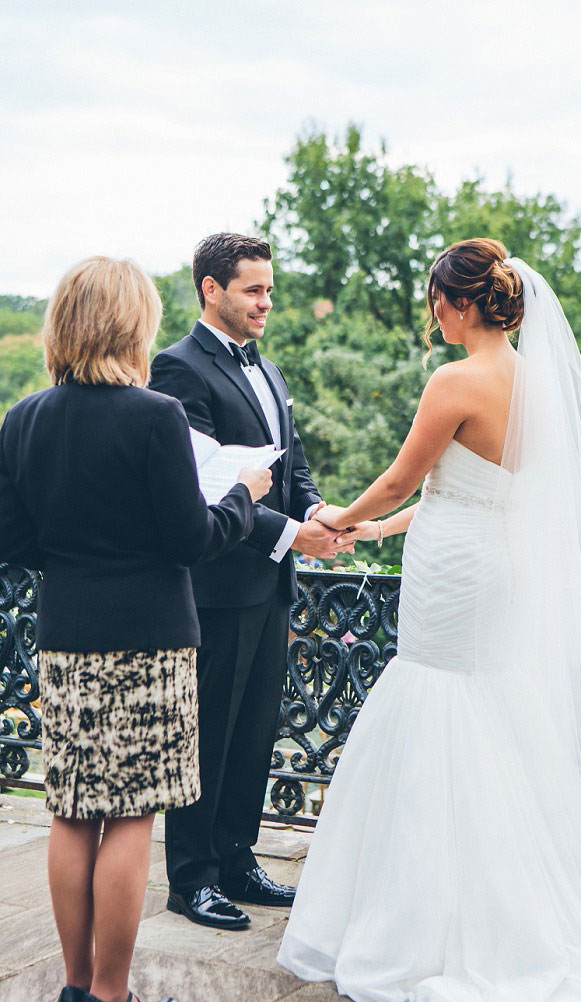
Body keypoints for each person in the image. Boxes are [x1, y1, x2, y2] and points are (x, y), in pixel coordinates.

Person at [278, 239, 581, 1002]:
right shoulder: (536, 383)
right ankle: (492, 895)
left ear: (462, 303)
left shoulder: (455, 379)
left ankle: (438, 917)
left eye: (436, 299)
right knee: (480, 705)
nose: (431, 312)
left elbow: (406, 476)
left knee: (438, 697)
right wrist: (378, 527)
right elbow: (461, 489)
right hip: (488, 559)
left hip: (454, 575)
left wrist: (329, 520)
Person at [0, 257, 272, 1002]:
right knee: (129, 814)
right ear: (133, 324)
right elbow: (194, 540)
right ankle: (112, 999)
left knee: (72, 811)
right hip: (150, 639)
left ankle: (75, 990)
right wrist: (241, 496)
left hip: (68, 637)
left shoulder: (22, 418)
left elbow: (13, 541)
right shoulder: (154, 416)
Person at [149, 233, 354, 930]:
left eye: (269, 289)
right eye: (253, 290)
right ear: (211, 289)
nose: (267, 302)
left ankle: (237, 859)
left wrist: (322, 514)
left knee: (254, 729)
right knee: (206, 734)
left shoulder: (270, 371)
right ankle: (192, 878)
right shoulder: (176, 370)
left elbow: (290, 472)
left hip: (271, 585)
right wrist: (294, 533)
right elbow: (204, 485)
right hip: (215, 585)